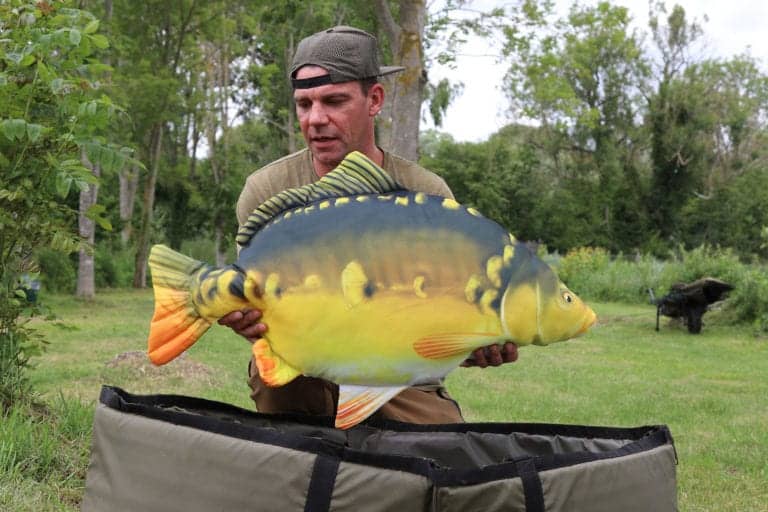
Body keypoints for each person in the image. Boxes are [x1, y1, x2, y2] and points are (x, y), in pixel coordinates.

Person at [219, 25, 518, 424]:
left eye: (334, 101)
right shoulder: (267, 190)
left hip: (398, 377)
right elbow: (255, 299)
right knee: (283, 395)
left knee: (441, 451)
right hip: (301, 365)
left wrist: (469, 343)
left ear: (374, 99)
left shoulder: (426, 193)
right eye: (304, 104)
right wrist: (245, 315)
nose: (315, 119)